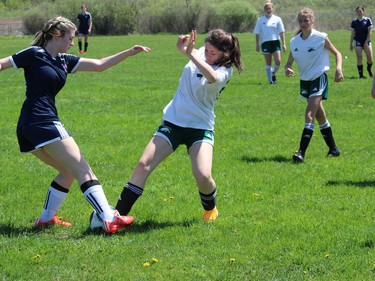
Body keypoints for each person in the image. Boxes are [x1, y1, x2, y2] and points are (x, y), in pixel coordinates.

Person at [0, 16, 151, 233]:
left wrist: (128, 52)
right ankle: (109, 218)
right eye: (70, 38)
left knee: (67, 171)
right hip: (41, 121)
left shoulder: (63, 60)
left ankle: (45, 219)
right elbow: (2, 63)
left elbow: (99, 65)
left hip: (31, 125)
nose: (73, 42)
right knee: (83, 169)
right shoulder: (34, 54)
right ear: (56, 36)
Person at [115, 29, 244, 222]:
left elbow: (212, 77)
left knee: (203, 175)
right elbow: (196, 56)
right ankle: (116, 216)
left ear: (225, 54)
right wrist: (186, 49)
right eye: (206, 49)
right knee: (143, 164)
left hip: (200, 127)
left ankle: (210, 209)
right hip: (173, 122)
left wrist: (188, 53)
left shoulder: (225, 71)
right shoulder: (199, 51)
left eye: (213, 53)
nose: (207, 54)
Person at [284, 8, 343, 163]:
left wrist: (338, 69)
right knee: (319, 115)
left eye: (306, 21)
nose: (303, 24)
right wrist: (287, 67)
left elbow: (337, 53)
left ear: (312, 21)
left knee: (309, 114)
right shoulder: (294, 41)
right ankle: (334, 149)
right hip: (305, 81)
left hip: (319, 78)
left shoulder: (320, 38)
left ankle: (301, 153)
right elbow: (290, 60)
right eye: (301, 21)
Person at [254, 1, 286, 84]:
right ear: (264, 10)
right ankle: (270, 81)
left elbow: (281, 32)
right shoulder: (260, 20)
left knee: (278, 61)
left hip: (275, 42)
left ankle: (273, 73)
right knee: (268, 63)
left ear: (273, 9)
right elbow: (257, 33)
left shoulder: (277, 19)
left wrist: (284, 43)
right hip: (265, 43)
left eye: (270, 8)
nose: (269, 10)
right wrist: (257, 44)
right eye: (267, 9)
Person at [350, 6, 373, 79]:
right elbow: (352, 33)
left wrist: (366, 41)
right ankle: (361, 75)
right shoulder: (354, 21)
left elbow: (370, 32)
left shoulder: (368, 20)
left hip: (366, 40)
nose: (359, 13)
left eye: (360, 11)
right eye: (358, 11)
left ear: (363, 11)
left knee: (370, 59)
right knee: (359, 57)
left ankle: (369, 69)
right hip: (357, 41)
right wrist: (350, 43)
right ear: (356, 12)